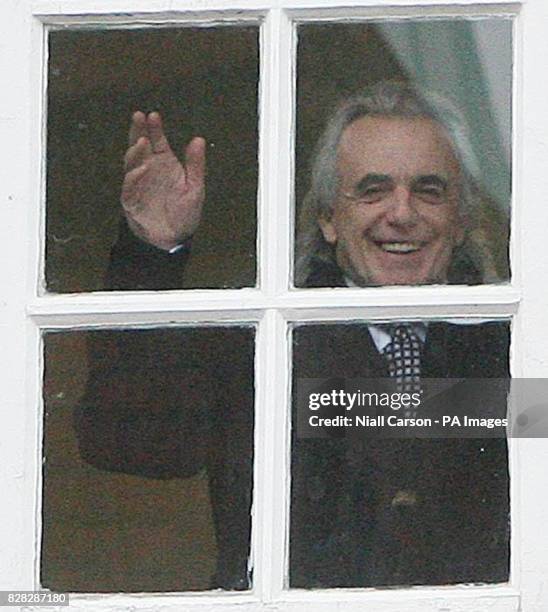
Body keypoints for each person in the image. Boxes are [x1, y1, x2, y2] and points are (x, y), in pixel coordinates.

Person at [76, 81, 510, 590]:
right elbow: (131, 442)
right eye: (373, 190)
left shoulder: (512, 344)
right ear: (328, 216)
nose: (402, 214)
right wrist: (152, 252)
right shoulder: (265, 340)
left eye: (428, 191)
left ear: (459, 221)